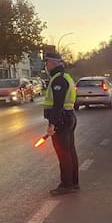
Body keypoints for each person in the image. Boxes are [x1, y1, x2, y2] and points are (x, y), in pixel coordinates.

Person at [43, 52, 79, 195]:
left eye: (47, 62)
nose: (46, 65)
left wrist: (52, 124)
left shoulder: (58, 80)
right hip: (68, 117)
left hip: (61, 119)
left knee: (63, 153)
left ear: (53, 63)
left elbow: (58, 104)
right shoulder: (66, 77)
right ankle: (74, 182)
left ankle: (66, 185)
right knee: (70, 151)